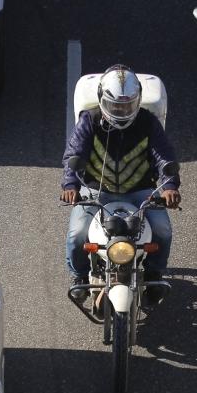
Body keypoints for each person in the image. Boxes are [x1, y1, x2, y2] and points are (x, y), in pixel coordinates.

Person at [61, 64, 181, 304]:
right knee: (76, 236)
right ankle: (79, 276)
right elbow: (73, 153)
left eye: (127, 105)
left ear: (137, 102)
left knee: (163, 232)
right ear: (102, 101)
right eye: (116, 105)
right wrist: (71, 185)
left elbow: (163, 156)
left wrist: (169, 185)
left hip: (142, 191)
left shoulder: (147, 122)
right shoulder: (90, 120)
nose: (122, 110)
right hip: (96, 190)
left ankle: (155, 273)